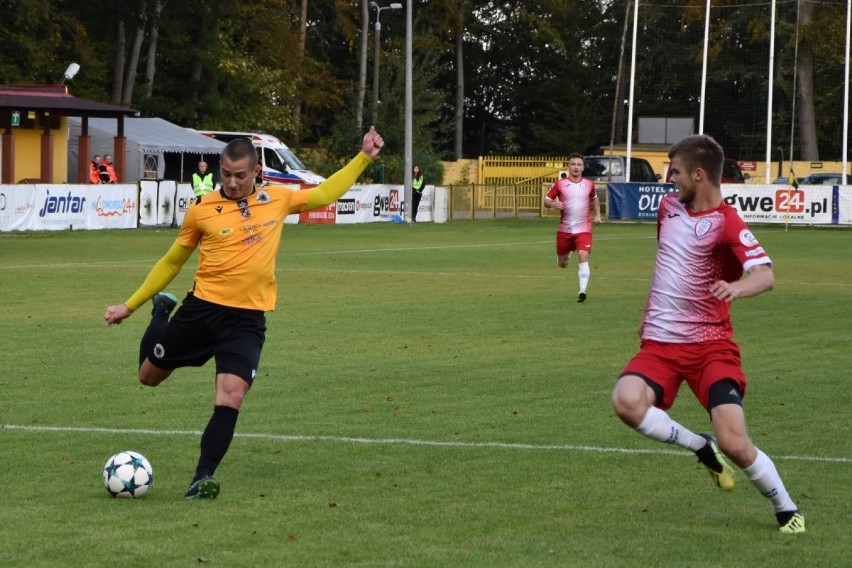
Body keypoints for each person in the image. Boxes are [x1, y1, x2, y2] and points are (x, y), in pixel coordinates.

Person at [104, 126, 386, 500]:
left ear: (256, 172)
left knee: (231, 394)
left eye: (240, 175)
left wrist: (364, 156)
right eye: (226, 174)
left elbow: (325, 193)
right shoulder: (202, 210)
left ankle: (201, 478)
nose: (232, 182)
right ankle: (161, 313)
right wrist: (130, 305)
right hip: (201, 312)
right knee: (148, 377)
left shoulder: (278, 198)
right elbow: (172, 262)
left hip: (247, 320)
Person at [610, 134, 805, 534]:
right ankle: (698, 445)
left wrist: (736, 288)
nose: (670, 179)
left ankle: (786, 508)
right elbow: (670, 264)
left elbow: (765, 276)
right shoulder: (668, 208)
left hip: (710, 347)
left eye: (676, 172)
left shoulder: (727, 222)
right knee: (626, 403)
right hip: (661, 343)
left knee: (734, 441)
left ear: (699, 174)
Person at [543, 153, 601, 302]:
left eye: (578, 164)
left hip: (584, 229)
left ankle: (582, 290)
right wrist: (554, 204)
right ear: (568, 166)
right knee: (562, 264)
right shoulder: (560, 184)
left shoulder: (589, 184)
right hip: (565, 230)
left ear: (582, 167)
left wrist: (598, 215)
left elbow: (594, 200)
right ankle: (566, 255)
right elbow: (547, 200)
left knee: (583, 256)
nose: (576, 167)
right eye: (573, 164)